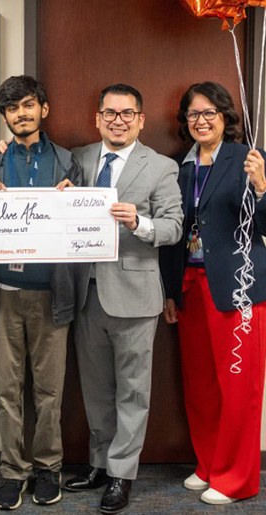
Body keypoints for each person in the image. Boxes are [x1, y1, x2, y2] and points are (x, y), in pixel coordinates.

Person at [63, 84, 183, 514]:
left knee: (133, 391)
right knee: (96, 390)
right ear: (97, 118)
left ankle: (121, 474)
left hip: (135, 295)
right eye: (110, 113)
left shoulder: (161, 166)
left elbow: (174, 227)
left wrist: (139, 222)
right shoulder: (77, 158)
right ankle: (99, 464)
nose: (118, 121)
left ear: (141, 120)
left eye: (127, 113)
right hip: (85, 293)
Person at [0, 76, 82, 510]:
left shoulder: (67, 162)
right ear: (5, 116)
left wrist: (74, 201)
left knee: (49, 392)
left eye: (29, 105)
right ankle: (12, 472)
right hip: (3, 293)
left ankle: (48, 468)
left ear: (44, 110)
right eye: (13, 108)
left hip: (51, 294)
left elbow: (82, 226)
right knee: (7, 391)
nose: (21, 113)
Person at [160, 82, 266, 505]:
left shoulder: (248, 159)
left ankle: (237, 478)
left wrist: (262, 188)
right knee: (200, 385)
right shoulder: (179, 167)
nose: (201, 121)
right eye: (193, 114)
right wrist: (171, 291)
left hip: (238, 289)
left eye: (209, 113)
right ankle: (209, 465)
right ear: (184, 121)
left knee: (238, 387)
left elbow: (263, 225)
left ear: (225, 117)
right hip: (190, 285)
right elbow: (173, 235)